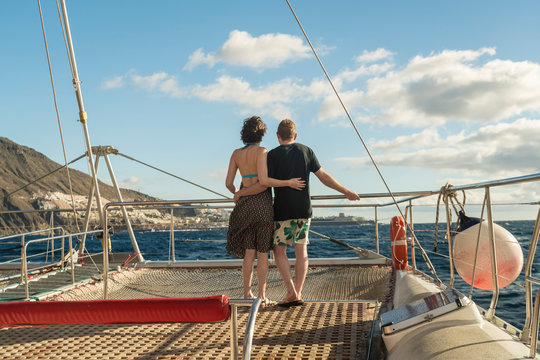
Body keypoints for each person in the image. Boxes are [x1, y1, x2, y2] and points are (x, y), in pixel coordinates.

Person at [236, 119, 360, 307]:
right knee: (301, 252)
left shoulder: (272, 155)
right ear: (295, 136)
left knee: (280, 251)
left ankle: (291, 291)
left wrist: (241, 193)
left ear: (278, 136)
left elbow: (263, 182)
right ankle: (297, 293)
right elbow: (324, 177)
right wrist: (346, 192)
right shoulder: (306, 151)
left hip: (282, 210)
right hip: (303, 209)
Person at [225, 116, 305, 306]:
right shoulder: (262, 152)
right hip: (262, 205)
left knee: (248, 252)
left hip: (244, 205)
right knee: (262, 253)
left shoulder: (236, 153)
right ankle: (261, 295)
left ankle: (247, 293)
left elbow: (228, 183)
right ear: (261, 134)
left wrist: (238, 193)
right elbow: (263, 183)